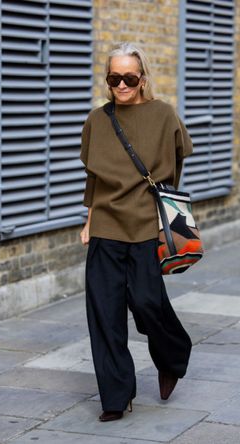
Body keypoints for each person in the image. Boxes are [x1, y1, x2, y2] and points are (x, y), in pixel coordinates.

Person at [80, 42, 193, 422]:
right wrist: (90, 219)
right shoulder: (98, 119)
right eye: (115, 78)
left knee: (147, 302)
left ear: (143, 79)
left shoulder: (164, 114)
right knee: (104, 313)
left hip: (146, 225)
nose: (122, 85)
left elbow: (177, 164)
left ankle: (173, 356)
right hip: (107, 227)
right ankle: (116, 396)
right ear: (108, 80)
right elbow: (93, 177)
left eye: (130, 77)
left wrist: (165, 214)